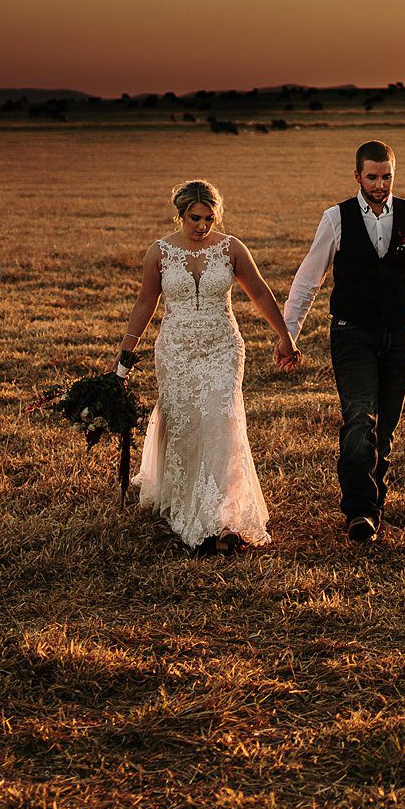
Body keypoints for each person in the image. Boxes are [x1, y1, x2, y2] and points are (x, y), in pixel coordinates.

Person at [118, 179, 301, 553]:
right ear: (181, 214)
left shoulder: (231, 248)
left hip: (223, 348)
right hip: (177, 350)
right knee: (186, 425)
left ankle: (224, 519)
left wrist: (285, 337)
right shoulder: (160, 253)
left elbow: (260, 291)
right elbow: (144, 304)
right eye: (194, 218)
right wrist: (126, 353)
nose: (201, 226)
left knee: (222, 422)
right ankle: (186, 506)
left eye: (208, 218)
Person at [280, 141, 405, 544]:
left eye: (386, 176)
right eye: (372, 176)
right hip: (351, 331)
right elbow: (309, 279)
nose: (380, 184)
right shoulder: (336, 218)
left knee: (385, 426)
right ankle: (360, 512)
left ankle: (375, 503)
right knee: (359, 418)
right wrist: (289, 335)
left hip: (398, 334)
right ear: (357, 176)